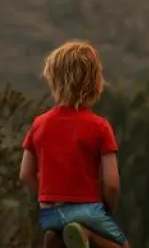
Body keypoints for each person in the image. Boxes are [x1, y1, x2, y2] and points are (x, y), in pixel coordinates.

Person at [19, 40, 130, 248]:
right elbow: (112, 183)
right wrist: (107, 211)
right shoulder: (100, 127)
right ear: (95, 82)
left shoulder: (39, 124)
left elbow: (25, 174)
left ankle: (61, 234)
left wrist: (43, 197)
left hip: (50, 212)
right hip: (86, 210)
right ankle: (87, 233)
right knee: (122, 246)